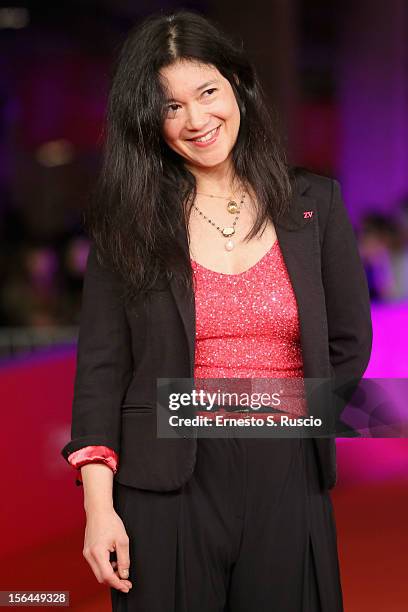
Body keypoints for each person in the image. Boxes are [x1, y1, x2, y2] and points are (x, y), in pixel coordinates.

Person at [61, 9, 372, 612]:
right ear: (149, 121)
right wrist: (99, 511)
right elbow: (100, 374)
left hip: (289, 475)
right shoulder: (127, 223)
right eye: (171, 106)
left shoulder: (315, 203)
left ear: (239, 86)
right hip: (164, 483)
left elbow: (348, 343)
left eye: (208, 92)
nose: (197, 120)